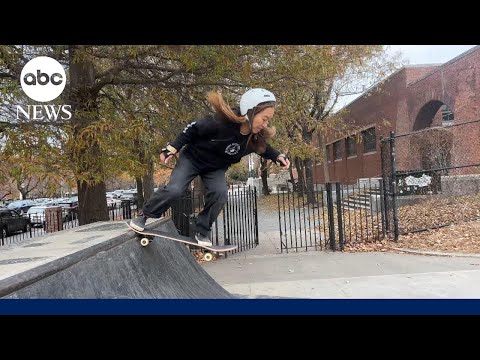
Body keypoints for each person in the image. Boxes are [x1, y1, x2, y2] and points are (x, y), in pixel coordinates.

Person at [129, 88, 291, 246]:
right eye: (264, 118)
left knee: (220, 194)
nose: (265, 123)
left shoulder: (254, 138)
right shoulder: (220, 123)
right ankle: (144, 215)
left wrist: (278, 156)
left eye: (268, 120)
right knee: (175, 190)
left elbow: (265, 150)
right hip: (192, 160)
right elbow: (192, 127)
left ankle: (203, 231)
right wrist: (173, 147)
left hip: (215, 168)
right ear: (250, 111)